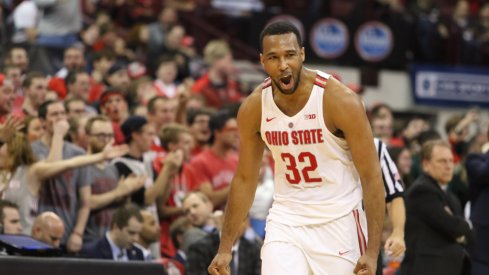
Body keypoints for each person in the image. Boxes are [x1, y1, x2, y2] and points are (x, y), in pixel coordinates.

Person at [208, 21, 385, 275]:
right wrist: (225, 247)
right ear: (262, 61)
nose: (283, 65)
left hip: (339, 221)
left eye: (290, 55)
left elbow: (371, 177)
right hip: (286, 220)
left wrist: (372, 251)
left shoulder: (340, 101)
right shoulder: (254, 107)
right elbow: (245, 179)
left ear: (302, 54)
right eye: (273, 57)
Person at [401, 140, 472, 275]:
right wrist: (464, 226)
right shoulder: (422, 190)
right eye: (442, 161)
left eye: (451, 161)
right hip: (425, 269)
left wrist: (460, 229)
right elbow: (452, 226)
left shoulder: (452, 197)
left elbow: (470, 235)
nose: (449, 166)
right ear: (426, 164)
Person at [80, 203, 144, 261]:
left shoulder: (138, 254)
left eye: (138, 233)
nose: (136, 239)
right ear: (115, 227)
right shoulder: (91, 252)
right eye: (131, 233)